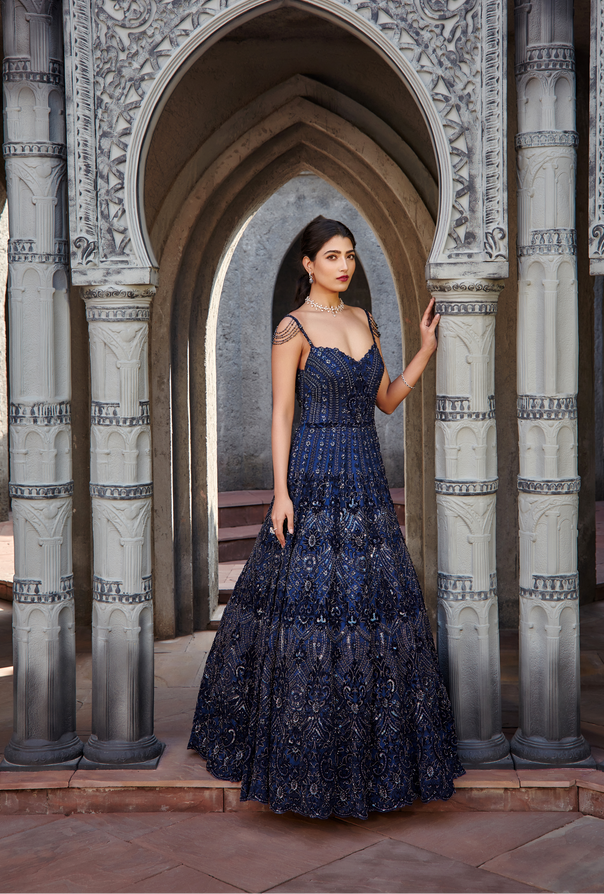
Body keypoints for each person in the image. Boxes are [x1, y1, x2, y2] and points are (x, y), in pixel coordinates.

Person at [188, 215, 465, 818]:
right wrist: (280, 492)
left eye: (350, 255)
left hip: (364, 474)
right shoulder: (291, 330)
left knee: (370, 608)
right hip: (312, 473)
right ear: (308, 265)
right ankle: (301, 756)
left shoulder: (364, 320)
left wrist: (425, 351)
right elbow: (282, 413)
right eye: (332, 256)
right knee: (308, 607)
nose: (344, 265)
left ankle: (372, 756)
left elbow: (386, 400)